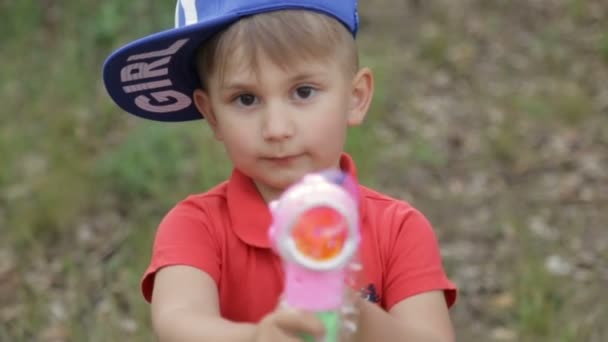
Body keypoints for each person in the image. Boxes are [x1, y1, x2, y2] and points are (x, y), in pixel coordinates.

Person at [102, 0, 458, 341]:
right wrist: (256, 337)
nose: (276, 128)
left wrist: (356, 318)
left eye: (303, 92)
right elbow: (177, 322)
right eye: (246, 99)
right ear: (211, 115)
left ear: (355, 97)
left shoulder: (398, 230)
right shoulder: (195, 226)